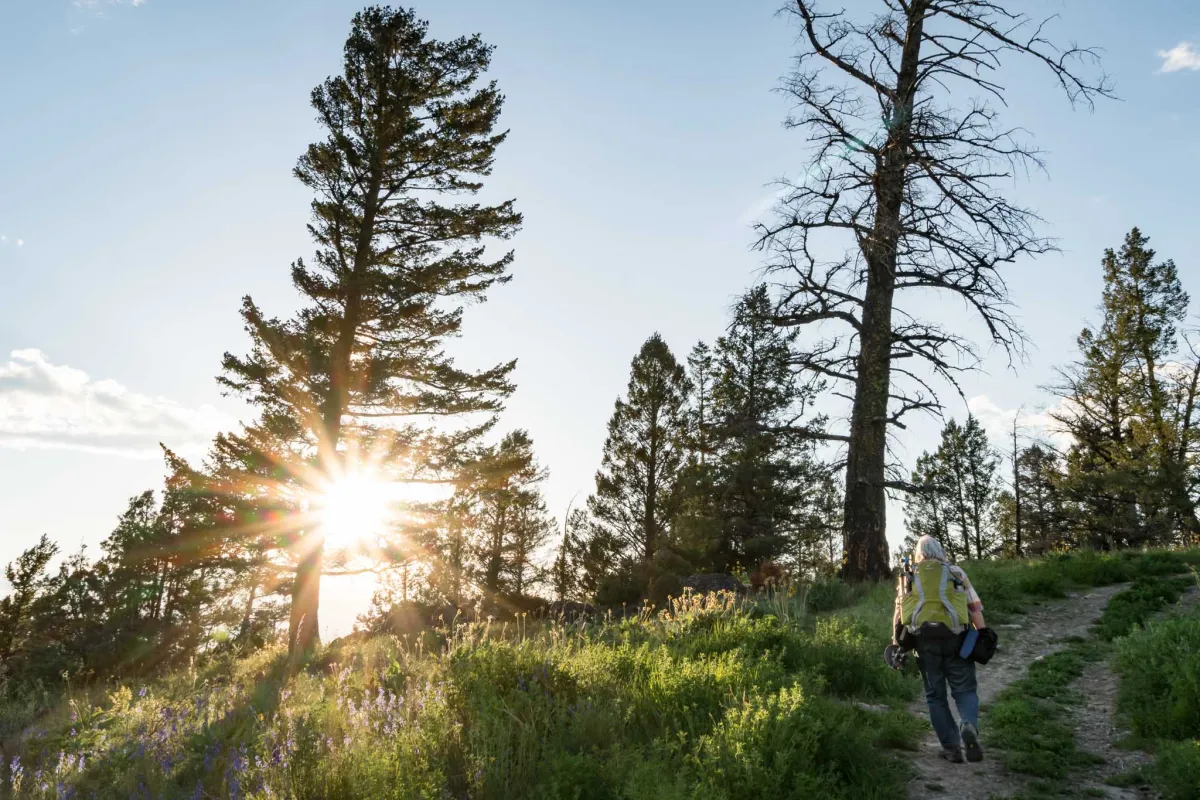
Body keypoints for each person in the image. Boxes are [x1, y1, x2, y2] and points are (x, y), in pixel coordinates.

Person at [893, 535, 987, 764]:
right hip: (956, 638)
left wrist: (896, 644)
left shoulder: (909, 576)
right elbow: (974, 608)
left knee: (935, 696)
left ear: (918, 553)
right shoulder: (956, 572)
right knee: (964, 689)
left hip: (923, 642)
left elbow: (899, 614)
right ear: (940, 551)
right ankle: (968, 724)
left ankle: (952, 748)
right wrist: (982, 635)